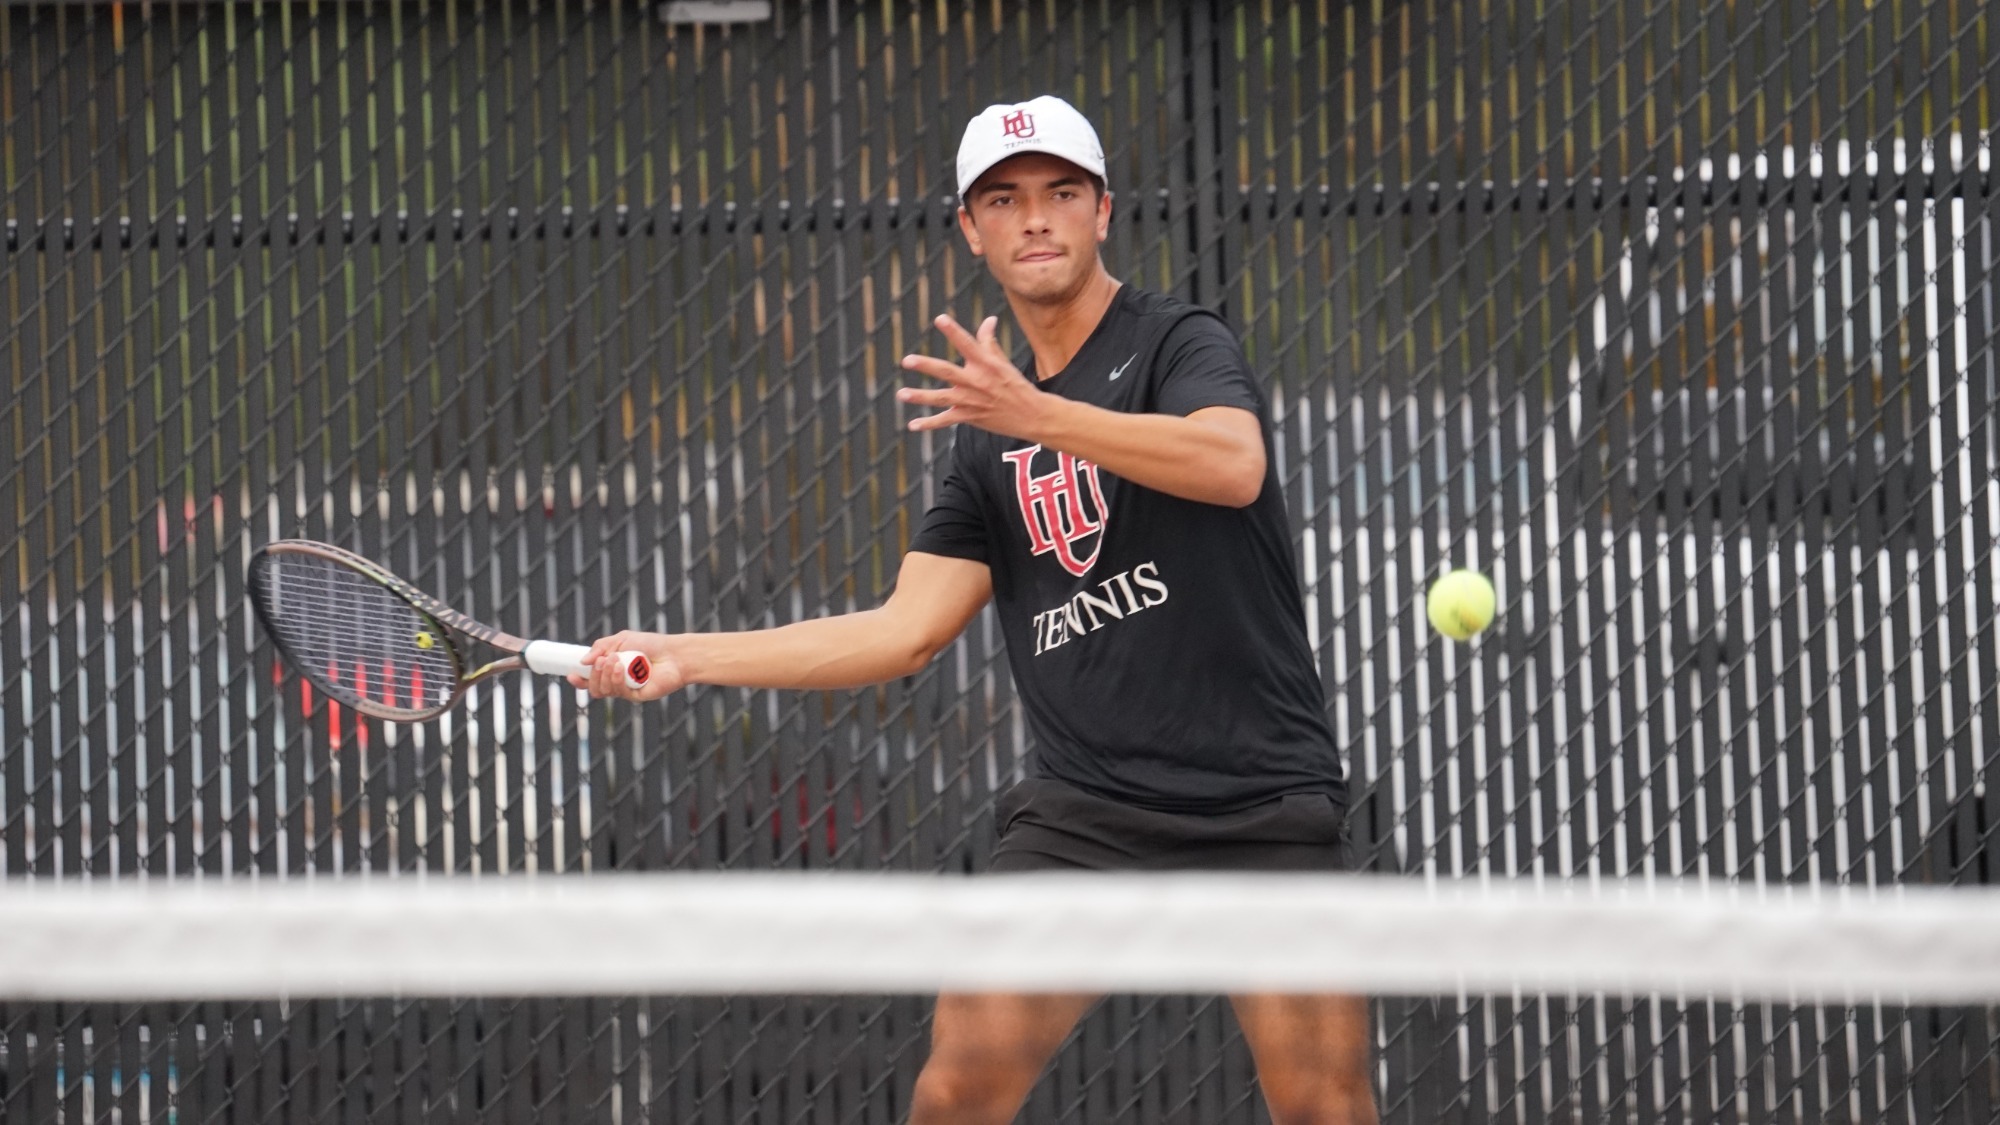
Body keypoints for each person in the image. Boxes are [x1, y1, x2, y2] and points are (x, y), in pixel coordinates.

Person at [573, 94, 1377, 1125]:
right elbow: (900, 632)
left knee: (1324, 1106)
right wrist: (685, 654)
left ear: (1101, 212)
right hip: (1086, 817)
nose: (1033, 217)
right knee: (956, 1090)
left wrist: (1036, 413)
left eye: (1058, 193)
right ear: (970, 228)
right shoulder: (981, 441)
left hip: (1261, 805)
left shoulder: (1179, 342)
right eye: (1003, 199)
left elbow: (1230, 464)